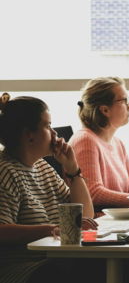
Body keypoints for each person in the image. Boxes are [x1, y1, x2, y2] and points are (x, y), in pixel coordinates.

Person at [0, 95, 102, 283]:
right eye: (48, 126)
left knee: (109, 262)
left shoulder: (43, 167)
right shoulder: (5, 172)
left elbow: (85, 214)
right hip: (24, 268)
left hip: (54, 260)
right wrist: (52, 229)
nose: (55, 133)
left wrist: (72, 169)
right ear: (28, 135)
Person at [70, 77, 129, 209]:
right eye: (125, 101)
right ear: (105, 110)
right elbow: (93, 193)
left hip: (119, 221)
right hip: (99, 224)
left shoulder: (117, 142)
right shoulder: (85, 140)